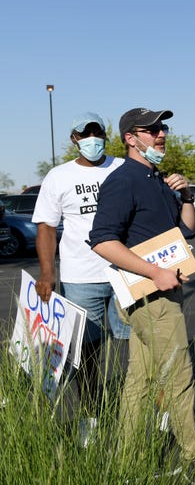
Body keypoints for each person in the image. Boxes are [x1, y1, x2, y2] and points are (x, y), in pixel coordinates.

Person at [88, 108, 195, 485]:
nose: (161, 134)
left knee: (138, 382)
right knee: (179, 378)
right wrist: (154, 272)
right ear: (131, 138)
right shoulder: (123, 179)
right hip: (151, 295)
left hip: (159, 292)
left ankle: (127, 461)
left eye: (163, 128)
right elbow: (102, 240)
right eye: (151, 129)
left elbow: (186, 231)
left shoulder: (156, 179)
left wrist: (188, 196)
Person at [32, 112, 126, 448]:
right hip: (80, 278)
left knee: (137, 348)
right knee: (86, 355)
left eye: (97, 131)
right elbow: (46, 226)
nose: (91, 138)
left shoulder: (122, 168)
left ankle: (142, 417)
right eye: (84, 133)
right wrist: (47, 272)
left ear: (106, 134)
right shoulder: (58, 177)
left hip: (126, 274)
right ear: (74, 139)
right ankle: (91, 418)